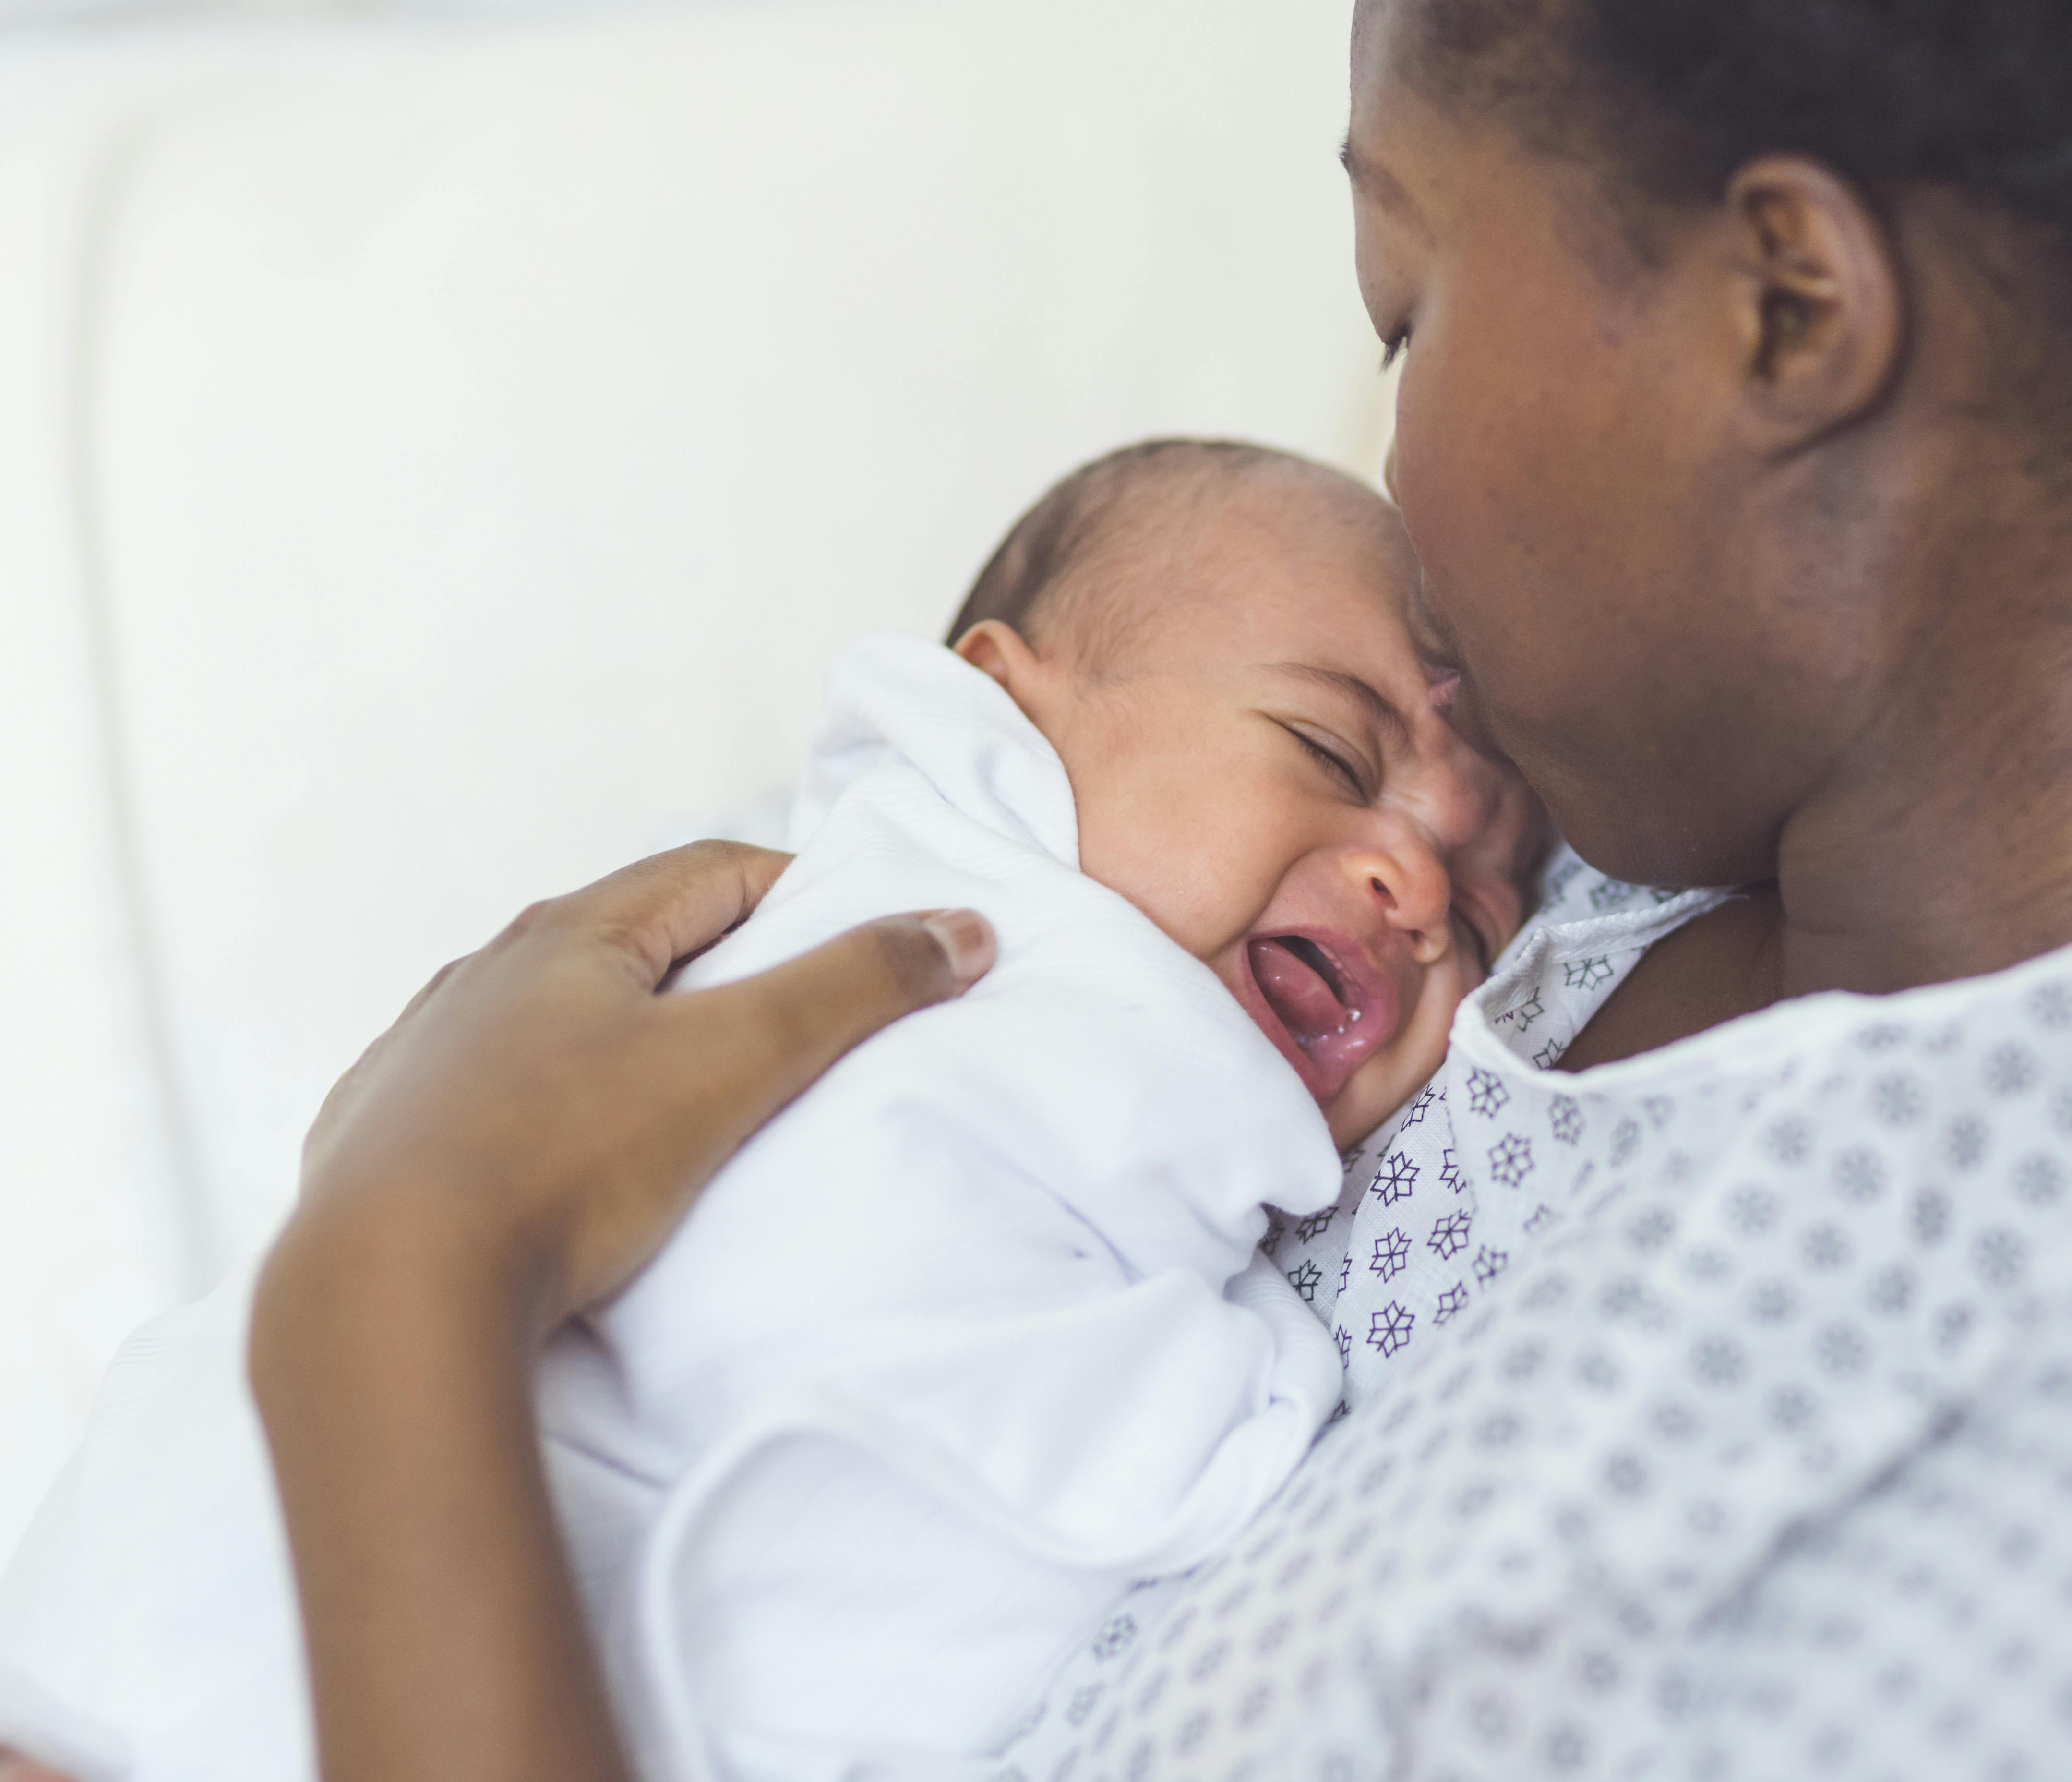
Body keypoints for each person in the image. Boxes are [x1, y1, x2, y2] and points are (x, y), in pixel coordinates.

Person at [11, 0, 2072, 1777]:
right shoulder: (1690, 878)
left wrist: (413, 1268)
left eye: (1404, 292)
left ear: (1786, 305)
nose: (1380, 461)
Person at [0, 443, 1536, 1782]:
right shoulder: (916, 911)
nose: (1414, 894)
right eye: (1332, 753)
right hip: (187, 1665)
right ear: (1003, 711)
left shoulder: (1273, 1212)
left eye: (1482, 913)